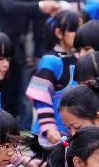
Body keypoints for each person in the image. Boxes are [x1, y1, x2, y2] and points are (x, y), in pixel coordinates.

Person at [0, 0, 60, 119]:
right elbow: (9, 5)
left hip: (14, 45)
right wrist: (40, 5)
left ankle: (9, 125)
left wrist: (47, 10)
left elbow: (26, 9)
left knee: (14, 91)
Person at [26, 10, 81, 145]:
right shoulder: (50, 61)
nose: (79, 34)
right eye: (73, 30)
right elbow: (41, 97)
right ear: (59, 33)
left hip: (71, 133)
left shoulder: (78, 58)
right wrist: (49, 128)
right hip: (50, 135)